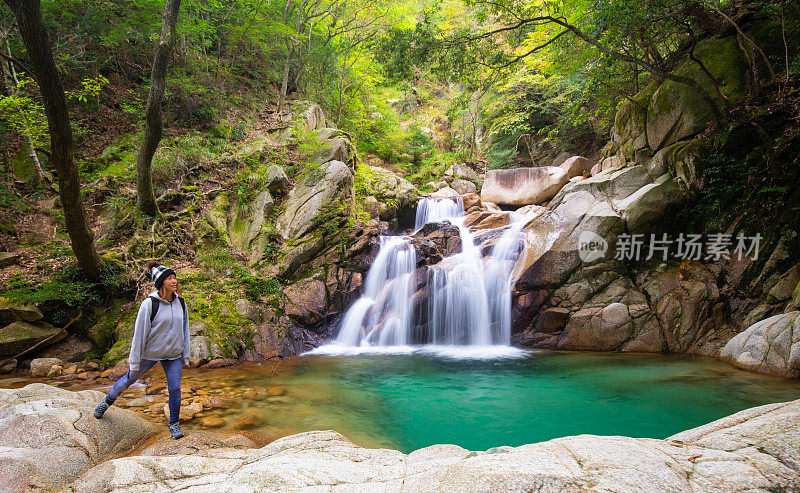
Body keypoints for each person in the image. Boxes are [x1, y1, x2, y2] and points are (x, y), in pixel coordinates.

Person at [93, 261, 190, 439]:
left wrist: (186, 355)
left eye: (174, 277)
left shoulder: (181, 303)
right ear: (161, 282)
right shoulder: (149, 304)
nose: (174, 281)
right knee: (128, 380)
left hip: (173, 356)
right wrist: (134, 361)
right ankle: (107, 401)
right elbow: (139, 334)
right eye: (169, 278)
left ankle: (174, 424)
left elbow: (185, 330)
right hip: (150, 353)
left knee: (175, 389)